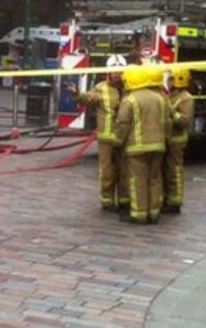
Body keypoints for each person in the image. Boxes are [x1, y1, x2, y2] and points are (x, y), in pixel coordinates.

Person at [68, 54, 127, 210]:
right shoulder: (101, 87)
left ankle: (124, 200)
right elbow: (87, 98)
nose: (117, 74)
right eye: (114, 71)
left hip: (124, 137)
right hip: (107, 138)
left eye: (120, 71)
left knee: (124, 171)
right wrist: (76, 94)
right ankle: (107, 201)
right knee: (107, 171)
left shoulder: (129, 87)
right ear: (108, 72)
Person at [115, 65, 172, 224]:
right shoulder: (161, 98)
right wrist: (165, 140)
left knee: (137, 181)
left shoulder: (129, 100)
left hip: (137, 149)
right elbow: (168, 122)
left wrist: (117, 142)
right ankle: (154, 213)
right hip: (158, 146)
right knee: (155, 179)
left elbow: (122, 125)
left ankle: (139, 214)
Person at [163, 67, 195, 214]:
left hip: (176, 140)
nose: (167, 82)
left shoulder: (186, 98)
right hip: (166, 139)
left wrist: (171, 111)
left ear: (178, 80)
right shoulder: (169, 95)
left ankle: (175, 202)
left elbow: (183, 121)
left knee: (174, 171)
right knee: (164, 171)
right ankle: (165, 198)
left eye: (170, 79)